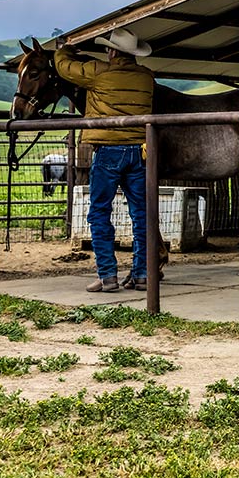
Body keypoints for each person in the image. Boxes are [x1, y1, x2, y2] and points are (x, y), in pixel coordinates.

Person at [54, 29, 155, 293]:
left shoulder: (99, 71)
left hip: (109, 151)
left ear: (111, 51)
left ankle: (108, 276)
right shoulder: (146, 76)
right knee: (141, 215)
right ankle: (142, 275)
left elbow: (65, 68)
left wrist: (63, 48)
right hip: (140, 151)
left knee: (99, 212)